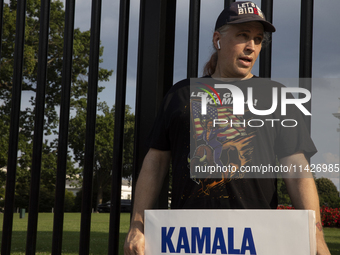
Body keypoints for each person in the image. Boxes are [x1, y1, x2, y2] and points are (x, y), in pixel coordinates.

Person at [124, 1, 331, 254]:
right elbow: (155, 163)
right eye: (243, 35)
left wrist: (316, 235)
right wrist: (138, 225)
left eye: (257, 39)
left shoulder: (275, 96)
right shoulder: (182, 94)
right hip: (188, 238)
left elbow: (297, 167)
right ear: (217, 39)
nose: (251, 46)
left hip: (257, 239)